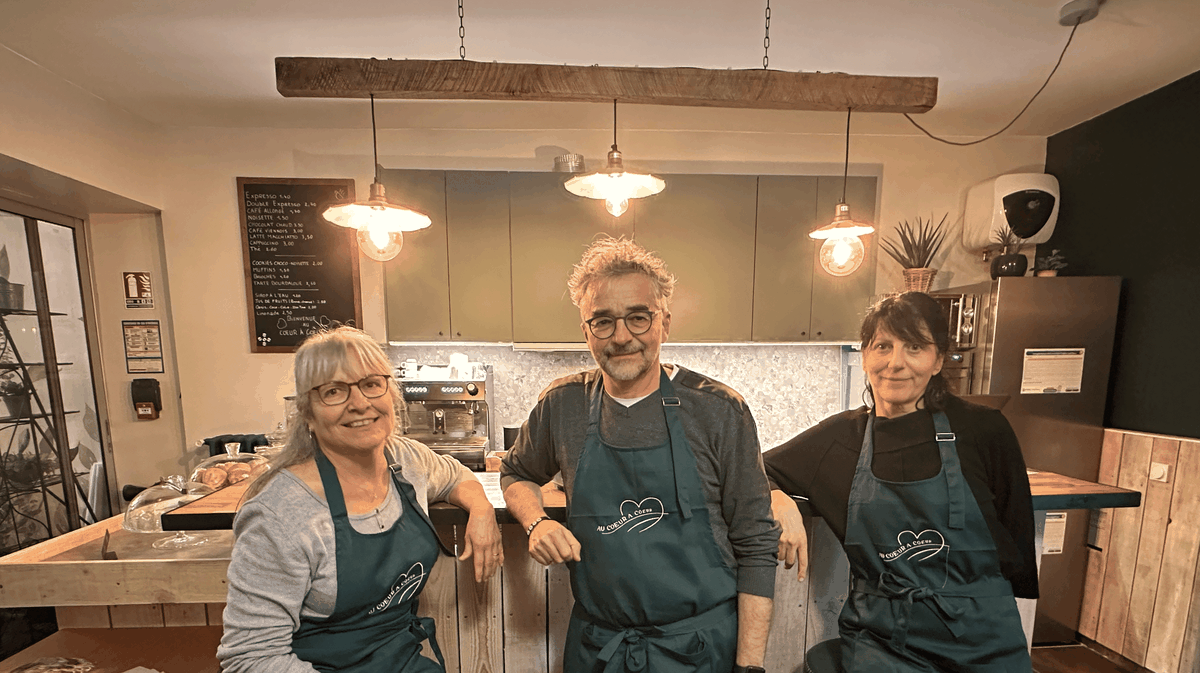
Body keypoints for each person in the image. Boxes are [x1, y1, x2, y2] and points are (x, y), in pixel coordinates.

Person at [501, 237, 781, 673]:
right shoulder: (562, 405)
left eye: (638, 318)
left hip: (701, 651)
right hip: (599, 650)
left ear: (664, 323)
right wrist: (534, 522)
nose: (622, 337)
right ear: (586, 331)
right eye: (603, 322)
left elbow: (757, 545)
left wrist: (749, 667)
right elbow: (516, 472)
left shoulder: (720, 410)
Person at [764, 292, 1038, 673]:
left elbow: (1016, 533)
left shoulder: (984, 429)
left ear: (939, 359)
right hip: (884, 639)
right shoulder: (840, 438)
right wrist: (775, 497)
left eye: (915, 347)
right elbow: (752, 467)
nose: (896, 363)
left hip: (983, 637)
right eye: (883, 346)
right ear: (864, 356)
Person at [218, 326, 503, 673]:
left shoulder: (405, 459)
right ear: (308, 412)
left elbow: (456, 475)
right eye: (334, 391)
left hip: (400, 660)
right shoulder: (279, 513)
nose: (359, 404)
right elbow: (251, 657)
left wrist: (482, 509)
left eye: (370, 384)